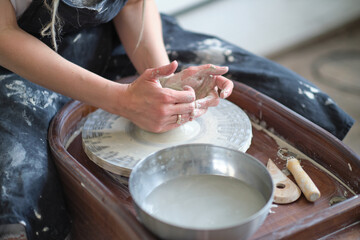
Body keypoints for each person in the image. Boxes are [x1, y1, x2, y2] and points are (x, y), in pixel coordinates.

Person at [0, 0, 354, 239]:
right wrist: (120, 100)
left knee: (294, 98)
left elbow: (134, 4)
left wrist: (164, 78)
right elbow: (4, 36)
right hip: (21, 61)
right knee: (21, 191)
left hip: (111, 36)